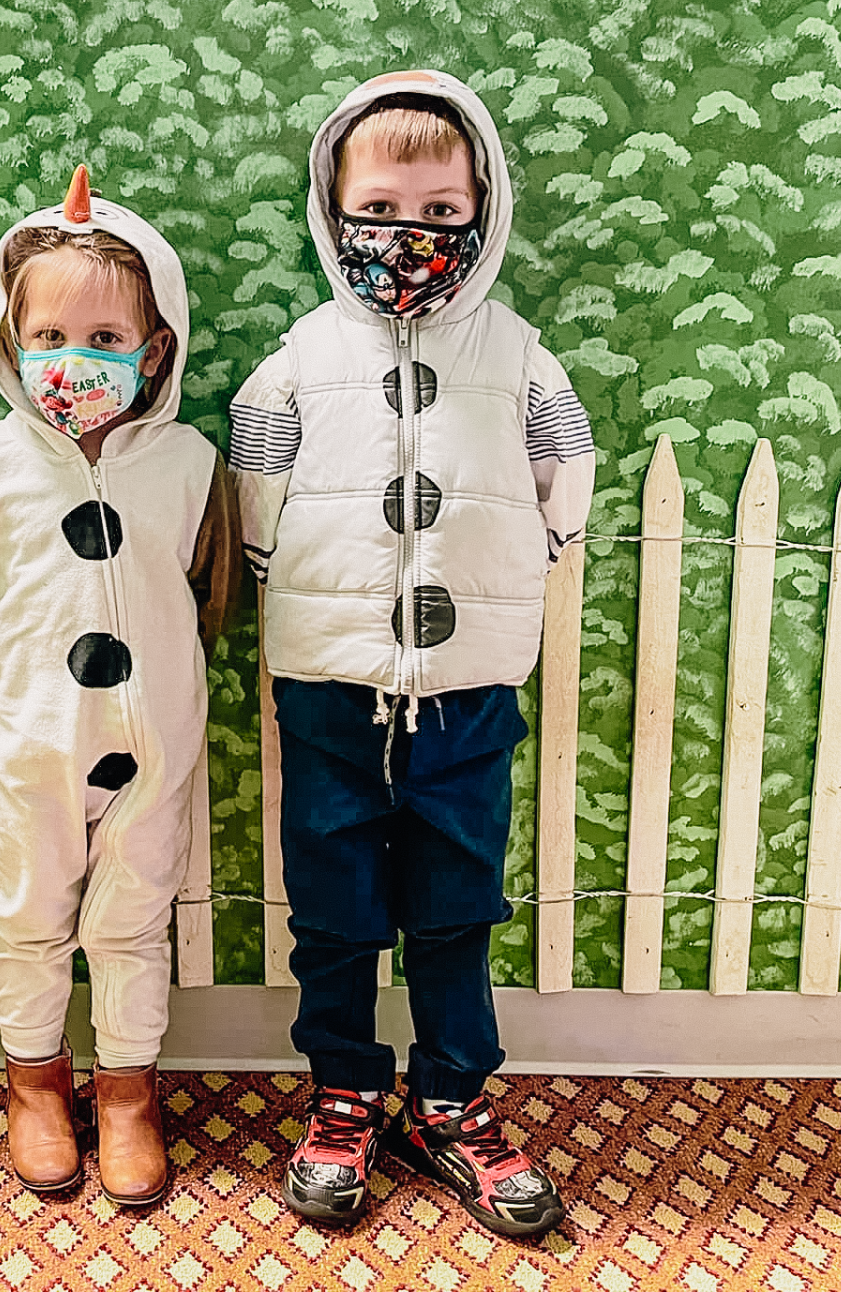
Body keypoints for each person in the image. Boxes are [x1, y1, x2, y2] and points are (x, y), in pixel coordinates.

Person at [229, 70, 594, 1237]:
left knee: (456, 906)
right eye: (381, 209)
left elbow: (565, 458)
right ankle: (344, 1091)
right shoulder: (304, 354)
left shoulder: (515, 351)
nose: (409, 234)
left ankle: (451, 1100)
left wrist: (539, 546)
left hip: (469, 687)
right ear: (334, 211)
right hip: (328, 684)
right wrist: (270, 568)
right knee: (333, 910)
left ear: (482, 210)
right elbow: (255, 470)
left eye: (441, 212)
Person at [0, 167, 239, 1206]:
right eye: (48, 336)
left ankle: (128, 1091)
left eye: (103, 338)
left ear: (153, 349)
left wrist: (158, 668)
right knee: (31, 914)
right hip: (31, 739)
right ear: (12, 341)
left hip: (154, 744)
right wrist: (17, 667)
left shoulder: (189, 464)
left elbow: (213, 593)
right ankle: (36, 1083)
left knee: (134, 918)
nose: (73, 359)